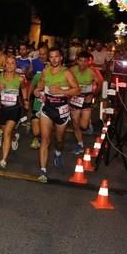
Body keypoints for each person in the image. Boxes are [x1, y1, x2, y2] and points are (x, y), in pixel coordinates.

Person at [33, 47, 80, 183]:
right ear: (49, 58)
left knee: (59, 140)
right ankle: (43, 170)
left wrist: (61, 90)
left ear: (61, 58)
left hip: (62, 110)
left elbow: (77, 90)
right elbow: (42, 83)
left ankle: (58, 153)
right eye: (51, 57)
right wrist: (38, 89)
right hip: (47, 108)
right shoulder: (46, 71)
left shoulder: (67, 73)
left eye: (56, 57)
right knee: (45, 139)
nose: (53, 59)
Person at [0, 55, 29, 169]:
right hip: (3, 109)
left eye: (12, 63)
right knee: (7, 133)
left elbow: (24, 88)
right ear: (4, 65)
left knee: (6, 133)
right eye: (8, 63)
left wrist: (25, 100)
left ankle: (3, 159)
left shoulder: (20, 78)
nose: (10, 65)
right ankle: (15, 138)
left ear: (16, 66)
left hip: (15, 109)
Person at [69, 51, 103, 155]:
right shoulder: (72, 70)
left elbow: (100, 83)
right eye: (80, 61)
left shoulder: (92, 71)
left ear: (88, 62)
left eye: (85, 61)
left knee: (83, 126)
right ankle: (80, 144)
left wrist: (94, 94)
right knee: (75, 122)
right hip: (75, 99)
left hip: (87, 100)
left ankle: (88, 123)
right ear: (77, 61)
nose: (83, 63)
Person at [29, 44, 49, 149]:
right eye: (40, 54)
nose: (42, 56)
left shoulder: (54, 64)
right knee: (36, 129)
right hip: (37, 99)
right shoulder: (35, 63)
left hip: (50, 102)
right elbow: (31, 80)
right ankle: (36, 136)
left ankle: (43, 138)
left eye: (44, 54)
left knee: (46, 127)